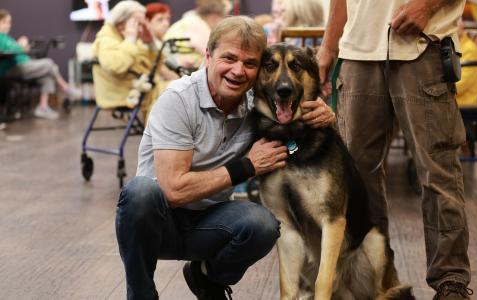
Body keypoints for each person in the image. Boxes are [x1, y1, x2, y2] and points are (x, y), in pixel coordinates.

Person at [116, 16, 336, 300]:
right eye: (229, 58)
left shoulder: (258, 104)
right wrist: (247, 166)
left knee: (263, 226)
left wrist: (322, 121)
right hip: (157, 224)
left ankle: (206, 277)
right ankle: (140, 293)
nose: (237, 71)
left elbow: (290, 149)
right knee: (141, 192)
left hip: (209, 223)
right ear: (208, 55)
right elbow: (173, 189)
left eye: (249, 63)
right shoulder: (178, 100)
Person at [317, 0, 473, 299]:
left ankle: (450, 282)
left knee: (438, 172)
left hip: (423, 46)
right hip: (357, 52)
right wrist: (328, 45)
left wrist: (426, 7)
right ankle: (376, 277)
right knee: (357, 179)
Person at [91, 1, 162, 123]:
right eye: (137, 24)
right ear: (120, 23)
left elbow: (158, 64)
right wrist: (130, 39)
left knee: (176, 89)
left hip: (141, 88)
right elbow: (116, 66)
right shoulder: (106, 40)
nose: (142, 28)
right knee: (174, 92)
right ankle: (158, 138)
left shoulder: (130, 40)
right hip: (122, 94)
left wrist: (150, 42)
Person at [0, 9, 72, 120]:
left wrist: (22, 46)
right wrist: (20, 45)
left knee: (47, 76)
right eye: (5, 22)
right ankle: (65, 87)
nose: (8, 25)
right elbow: (10, 51)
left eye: (9, 22)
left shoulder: (7, 37)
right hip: (13, 68)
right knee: (49, 64)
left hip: (24, 65)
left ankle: (42, 107)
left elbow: (18, 49)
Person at [163, 0, 229, 69]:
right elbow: (214, 54)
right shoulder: (198, 26)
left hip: (170, 66)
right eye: (222, 18)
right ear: (215, 16)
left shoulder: (188, 21)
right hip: (178, 70)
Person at [145, 2, 179, 82]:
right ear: (147, 21)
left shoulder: (166, 42)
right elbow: (164, 71)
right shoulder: (146, 44)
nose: (166, 23)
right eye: (160, 19)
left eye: (167, 19)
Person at [455, 20, 477, 106]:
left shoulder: (469, 50)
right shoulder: (454, 47)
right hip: (451, 102)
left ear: (461, 27)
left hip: (463, 104)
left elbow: (460, 86)